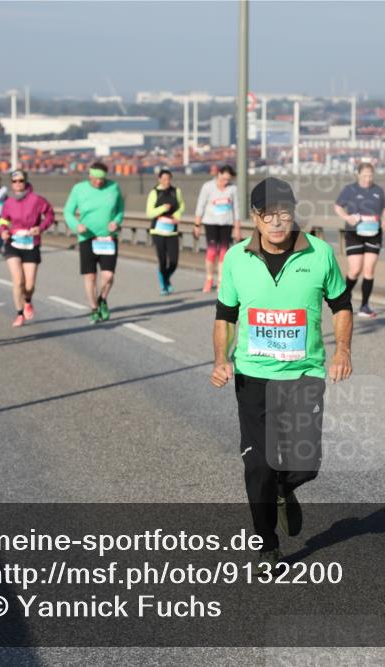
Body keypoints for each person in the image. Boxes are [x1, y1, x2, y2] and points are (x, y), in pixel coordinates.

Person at [211, 177, 353, 568]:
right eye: (268, 215)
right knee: (258, 464)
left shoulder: (320, 253)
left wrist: (343, 349)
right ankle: (267, 543)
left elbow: (341, 304)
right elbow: (225, 315)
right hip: (253, 375)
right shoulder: (237, 259)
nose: (277, 222)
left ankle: (284, 489)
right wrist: (221, 358)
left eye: (284, 214)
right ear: (255, 217)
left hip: (304, 374)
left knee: (304, 465)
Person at [64, 161, 125, 324]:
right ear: (90, 175)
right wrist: (77, 226)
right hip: (87, 238)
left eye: (102, 179)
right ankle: (94, 309)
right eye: (96, 178)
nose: (99, 182)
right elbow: (68, 212)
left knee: (108, 275)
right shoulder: (79, 189)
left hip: (107, 238)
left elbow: (120, 208)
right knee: (90, 277)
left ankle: (102, 299)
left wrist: (117, 221)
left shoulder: (114, 187)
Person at [334, 162, 385, 318]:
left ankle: (364, 306)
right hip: (354, 233)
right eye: (365, 175)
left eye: (370, 175)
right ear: (358, 175)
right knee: (355, 270)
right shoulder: (350, 190)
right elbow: (338, 206)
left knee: (369, 270)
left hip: (374, 232)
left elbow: (384, 207)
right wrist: (347, 217)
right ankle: (344, 296)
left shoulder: (378, 190)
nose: (368, 178)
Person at [0, 170, 54, 327]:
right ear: (11, 184)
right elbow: (3, 221)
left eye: (21, 181)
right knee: (18, 281)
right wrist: (3, 232)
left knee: (29, 285)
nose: (18, 184)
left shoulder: (36, 200)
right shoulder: (8, 202)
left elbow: (50, 215)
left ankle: (28, 300)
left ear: (26, 182)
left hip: (31, 243)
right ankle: (19, 313)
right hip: (13, 243)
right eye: (14, 181)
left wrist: (40, 228)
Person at [193, 164, 240, 293]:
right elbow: (200, 205)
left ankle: (220, 280)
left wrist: (237, 228)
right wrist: (197, 225)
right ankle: (209, 278)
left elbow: (236, 208)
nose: (225, 182)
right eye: (224, 179)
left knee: (224, 254)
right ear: (218, 174)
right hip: (211, 222)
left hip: (226, 223)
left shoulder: (233, 189)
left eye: (228, 180)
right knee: (212, 252)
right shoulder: (207, 187)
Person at [146, 169, 185, 296]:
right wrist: (163, 208)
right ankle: (164, 285)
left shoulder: (176, 191)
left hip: (172, 231)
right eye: (163, 179)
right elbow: (149, 212)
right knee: (162, 260)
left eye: (168, 179)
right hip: (158, 231)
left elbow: (181, 206)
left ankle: (165, 277)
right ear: (159, 179)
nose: (166, 182)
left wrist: (177, 216)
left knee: (174, 261)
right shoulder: (154, 193)